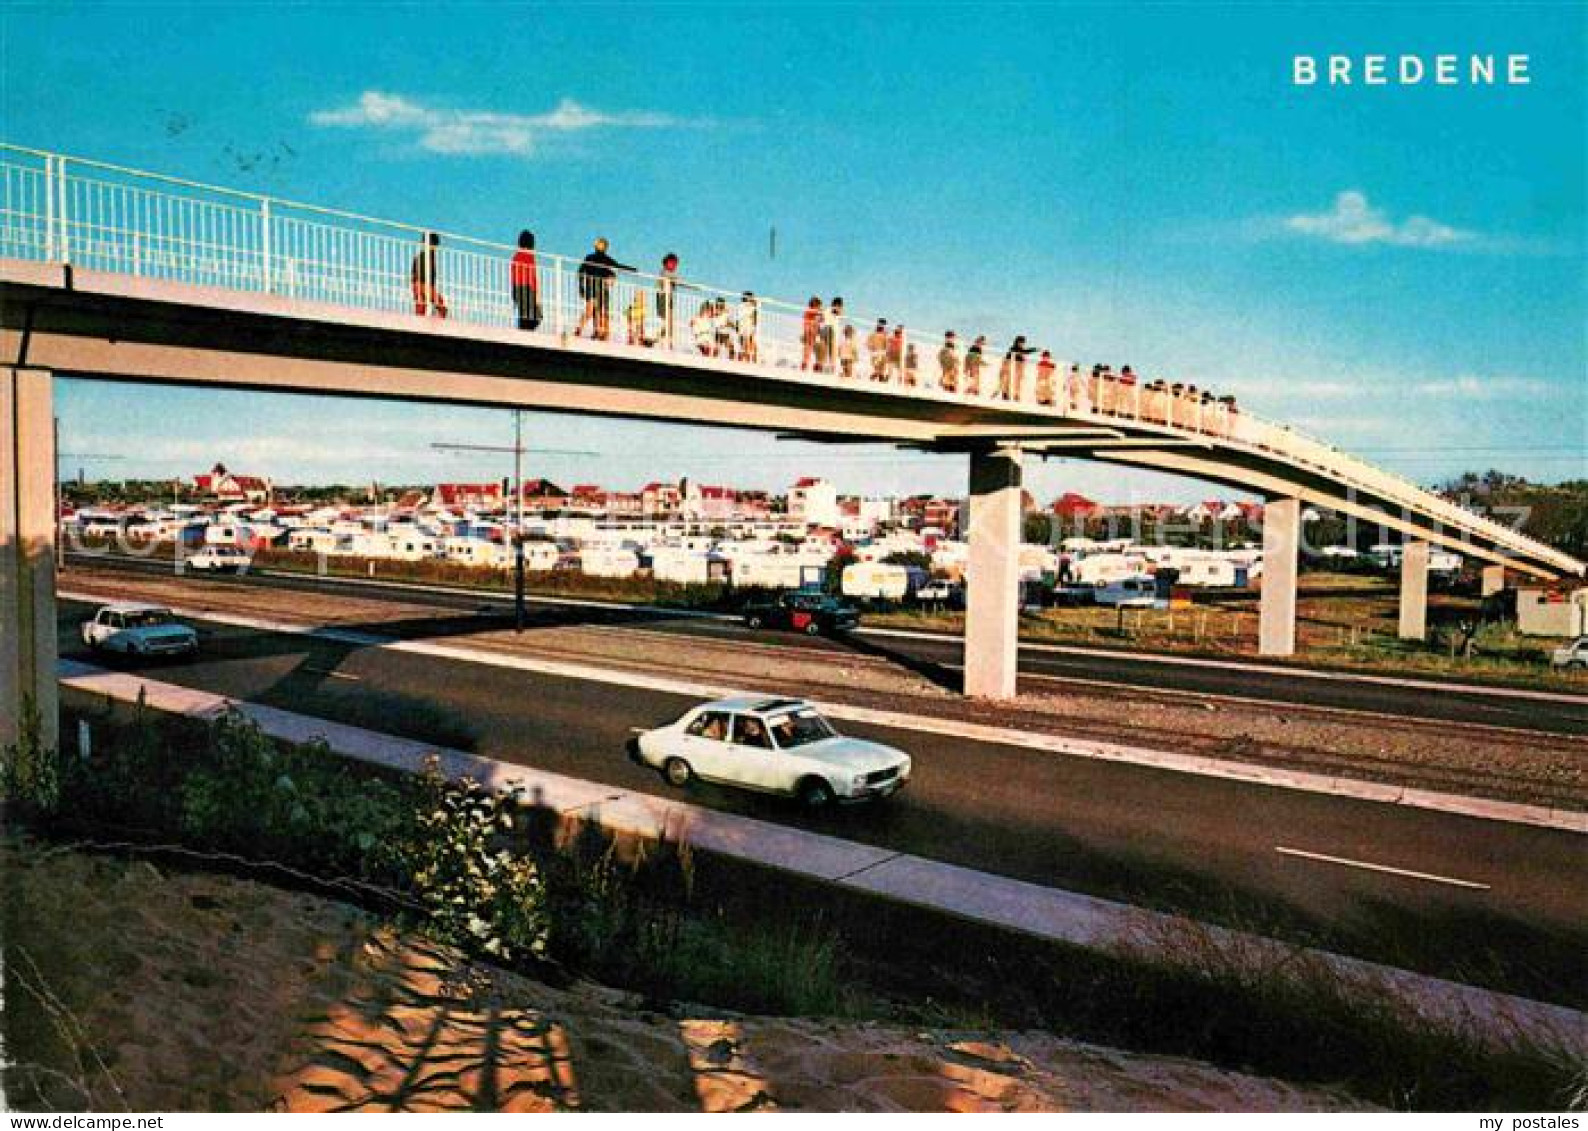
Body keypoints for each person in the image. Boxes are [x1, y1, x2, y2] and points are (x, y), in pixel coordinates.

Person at [576, 237, 631, 340]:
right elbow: (581, 271)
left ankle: (601, 333)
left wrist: (631, 269)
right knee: (590, 310)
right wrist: (581, 286)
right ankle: (579, 328)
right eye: (600, 245)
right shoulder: (590, 257)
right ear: (596, 246)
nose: (602, 247)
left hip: (601, 288)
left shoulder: (606, 259)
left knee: (602, 312)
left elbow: (616, 266)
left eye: (603, 245)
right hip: (591, 286)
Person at [410, 232, 447, 318]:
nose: (435, 248)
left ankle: (420, 324)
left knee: (421, 307)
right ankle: (439, 324)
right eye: (434, 244)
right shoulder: (426, 255)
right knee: (441, 304)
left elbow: (414, 273)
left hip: (419, 284)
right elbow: (420, 273)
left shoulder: (425, 255)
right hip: (422, 284)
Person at [509, 230, 539, 330]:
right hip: (526, 288)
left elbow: (514, 274)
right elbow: (533, 276)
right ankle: (524, 331)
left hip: (518, 288)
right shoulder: (529, 256)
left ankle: (523, 330)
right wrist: (536, 293)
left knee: (526, 315)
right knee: (532, 317)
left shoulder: (516, 256)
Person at [655, 253, 680, 347]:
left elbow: (675, 281)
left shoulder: (671, 273)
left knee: (669, 322)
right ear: (666, 263)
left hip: (669, 298)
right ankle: (662, 339)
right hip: (663, 298)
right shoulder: (664, 272)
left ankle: (664, 339)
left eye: (675, 264)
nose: (674, 266)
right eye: (672, 263)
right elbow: (674, 280)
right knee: (666, 321)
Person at [820, 298, 844, 373]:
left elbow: (821, 319)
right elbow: (838, 313)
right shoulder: (836, 310)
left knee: (824, 352)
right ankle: (832, 369)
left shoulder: (827, 309)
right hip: (831, 331)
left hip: (824, 330)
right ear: (838, 305)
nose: (842, 307)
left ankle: (822, 368)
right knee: (832, 353)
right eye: (841, 305)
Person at [801, 297, 822, 370]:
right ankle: (806, 363)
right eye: (819, 306)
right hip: (810, 332)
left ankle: (807, 363)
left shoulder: (810, 312)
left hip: (812, 332)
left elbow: (819, 321)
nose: (819, 308)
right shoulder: (811, 312)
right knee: (809, 348)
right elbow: (817, 321)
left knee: (809, 348)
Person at [738, 292, 760, 361]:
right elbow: (742, 317)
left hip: (750, 325)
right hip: (745, 325)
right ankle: (747, 359)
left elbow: (754, 316)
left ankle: (753, 359)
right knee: (746, 343)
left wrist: (754, 326)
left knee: (751, 342)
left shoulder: (753, 306)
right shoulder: (743, 306)